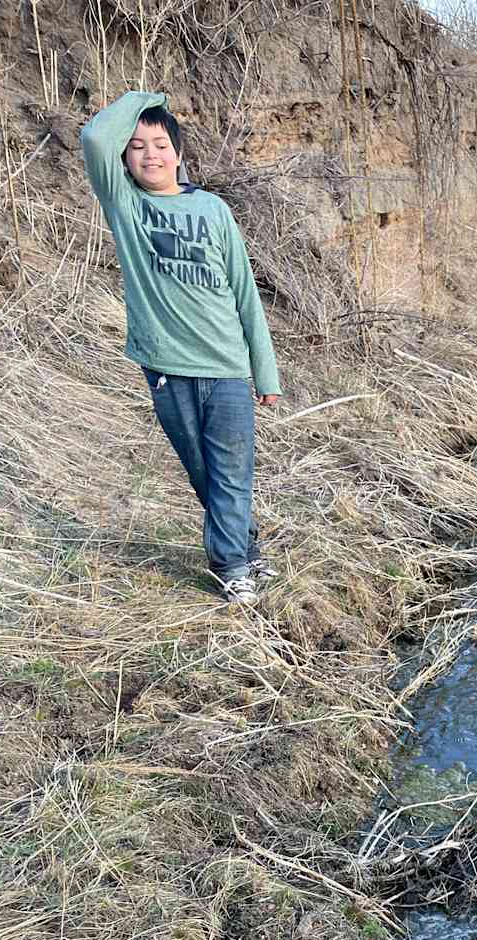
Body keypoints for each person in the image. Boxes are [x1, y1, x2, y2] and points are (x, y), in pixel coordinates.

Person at [81, 91, 282, 605]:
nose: (151, 154)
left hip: (228, 365)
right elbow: (95, 136)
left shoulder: (213, 209)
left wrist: (265, 373)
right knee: (204, 472)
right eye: (139, 146)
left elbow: (244, 292)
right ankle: (245, 546)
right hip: (168, 368)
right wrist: (149, 100)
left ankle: (232, 567)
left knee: (232, 472)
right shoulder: (126, 205)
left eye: (161, 143)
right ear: (125, 159)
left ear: (179, 153)